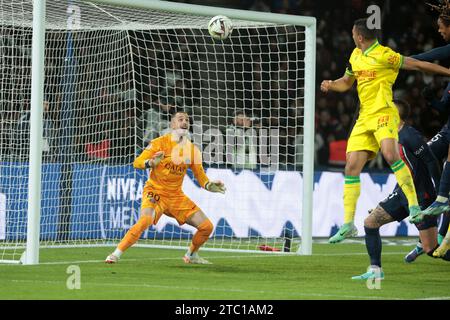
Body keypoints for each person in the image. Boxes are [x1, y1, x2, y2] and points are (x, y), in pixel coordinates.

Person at [320, 18, 450, 244]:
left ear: (359, 36)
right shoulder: (355, 55)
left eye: (353, 33)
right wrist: (331, 84)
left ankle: (414, 205)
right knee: (351, 166)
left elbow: (418, 65)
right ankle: (348, 224)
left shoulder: (385, 55)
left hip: (384, 113)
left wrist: (448, 72)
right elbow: (346, 82)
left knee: (390, 155)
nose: (351, 35)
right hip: (364, 118)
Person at [105, 111, 226, 264]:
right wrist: (150, 163)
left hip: (176, 197)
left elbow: (201, 177)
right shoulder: (159, 143)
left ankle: (191, 255)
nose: (184, 122)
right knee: (145, 220)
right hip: (155, 191)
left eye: (187, 120)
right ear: (172, 124)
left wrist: (210, 185)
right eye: (180, 119)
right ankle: (116, 254)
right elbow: (137, 162)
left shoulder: (193, 150)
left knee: (207, 227)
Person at [352, 100, 448, 281]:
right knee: (370, 223)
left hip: (421, 196)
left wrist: (438, 193)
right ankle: (375, 270)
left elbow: (431, 161)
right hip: (402, 193)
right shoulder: (387, 136)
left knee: (431, 249)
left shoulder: (410, 136)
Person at [402, 2, 450, 260]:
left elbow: (429, 56)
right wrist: (432, 100)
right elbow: (444, 107)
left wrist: (401, 61)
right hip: (447, 129)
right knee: (424, 158)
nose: (439, 31)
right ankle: (431, 235)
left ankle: (439, 237)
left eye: (442, 28)